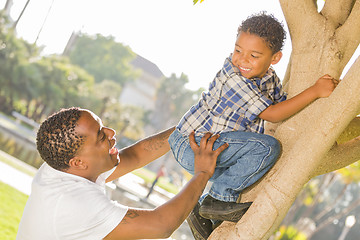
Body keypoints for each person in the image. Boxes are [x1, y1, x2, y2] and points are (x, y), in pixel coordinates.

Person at [168, 12, 339, 239]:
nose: (242, 60)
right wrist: (315, 91)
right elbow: (274, 114)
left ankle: (199, 210)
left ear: (274, 58)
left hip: (216, 149)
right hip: (195, 145)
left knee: (251, 165)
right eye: (238, 50)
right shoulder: (233, 76)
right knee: (266, 148)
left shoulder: (269, 79)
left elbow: (285, 104)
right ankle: (217, 199)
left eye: (254, 55)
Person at [16, 107, 228, 240]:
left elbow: (136, 156)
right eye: (101, 136)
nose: (111, 133)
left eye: (103, 126)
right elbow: (161, 225)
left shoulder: (63, 165)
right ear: (78, 162)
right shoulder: (74, 203)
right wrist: (202, 173)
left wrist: (191, 126)